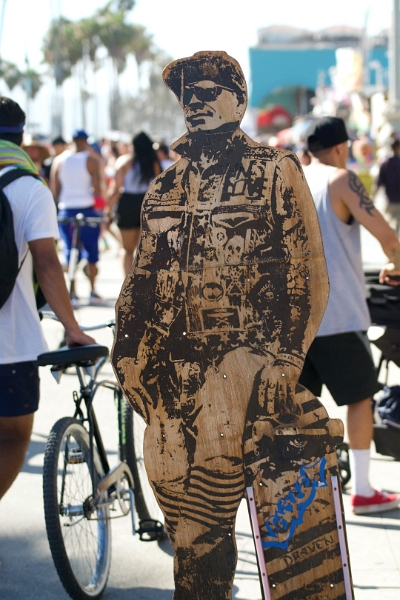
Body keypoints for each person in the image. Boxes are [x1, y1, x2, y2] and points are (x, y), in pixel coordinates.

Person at [112, 51, 330, 597]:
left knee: (214, 523)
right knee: (185, 530)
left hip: (246, 372)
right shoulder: (164, 187)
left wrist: (288, 357)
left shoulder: (274, 171)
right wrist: (125, 355)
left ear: (239, 99)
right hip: (170, 383)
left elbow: (307, 273)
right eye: (187, 94)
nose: (195, 101)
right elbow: (140, 281)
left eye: (208, 91)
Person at [300, 116, 400, 514]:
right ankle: (362, 490)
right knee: (360, 399)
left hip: (294, 322)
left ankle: (302, 496)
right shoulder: (341, 179)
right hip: (338, 312)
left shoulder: (287, 181)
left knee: (300, 408)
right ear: (342, 148)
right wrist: (396, 263)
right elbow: (388, 237)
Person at [0, 97, 95, 502]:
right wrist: (72, 328)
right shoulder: (28, 188)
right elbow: (46, 264)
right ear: (22, 137)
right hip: (11, 343)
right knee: (11, 438)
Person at [50, 129, 105, 305]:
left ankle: (72, 291)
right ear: (85, 141)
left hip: (66, 210)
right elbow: (97, 189)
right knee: (92, 252)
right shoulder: (91, 160)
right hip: (87, 209)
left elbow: (55, 190)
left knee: (69, 250)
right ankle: (93, 290)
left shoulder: (59, 160)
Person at [107, 131, 161, 277]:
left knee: (127, 249)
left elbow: (116, 189)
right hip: (148, 204)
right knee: (146, 249)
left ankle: (127, 280)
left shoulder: (124, 162)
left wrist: (108, 209)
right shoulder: (154, 163)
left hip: (128, 204)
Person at [373, 139, 400, 235]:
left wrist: (372, 196)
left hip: (389, 200)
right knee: (395, 226)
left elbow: (378, 183)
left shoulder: (385, 163)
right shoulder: (387, 163)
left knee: (389, 225)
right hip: (395, 200)